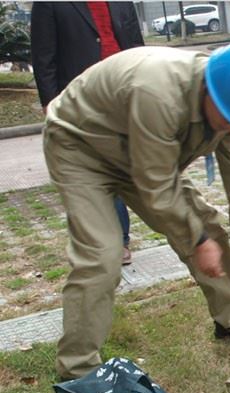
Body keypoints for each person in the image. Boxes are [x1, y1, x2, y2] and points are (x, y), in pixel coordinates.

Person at [42, 41, 230, 381]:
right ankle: (78, 371)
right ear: (209, 89)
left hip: (139, 152)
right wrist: (197, 241)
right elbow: (156, 184)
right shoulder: (157, 92)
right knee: (102, 255)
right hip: (81, 146)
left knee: (207, 225)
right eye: (228, 119)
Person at [31, 1, 143, 266]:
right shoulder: (49, 4)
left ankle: (116, 237)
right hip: (82, 100)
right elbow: (43, 55)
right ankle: (116, 240)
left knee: (127, 165)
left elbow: (137, 46)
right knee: (101, 168)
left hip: (125, 93)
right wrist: (50, 102)